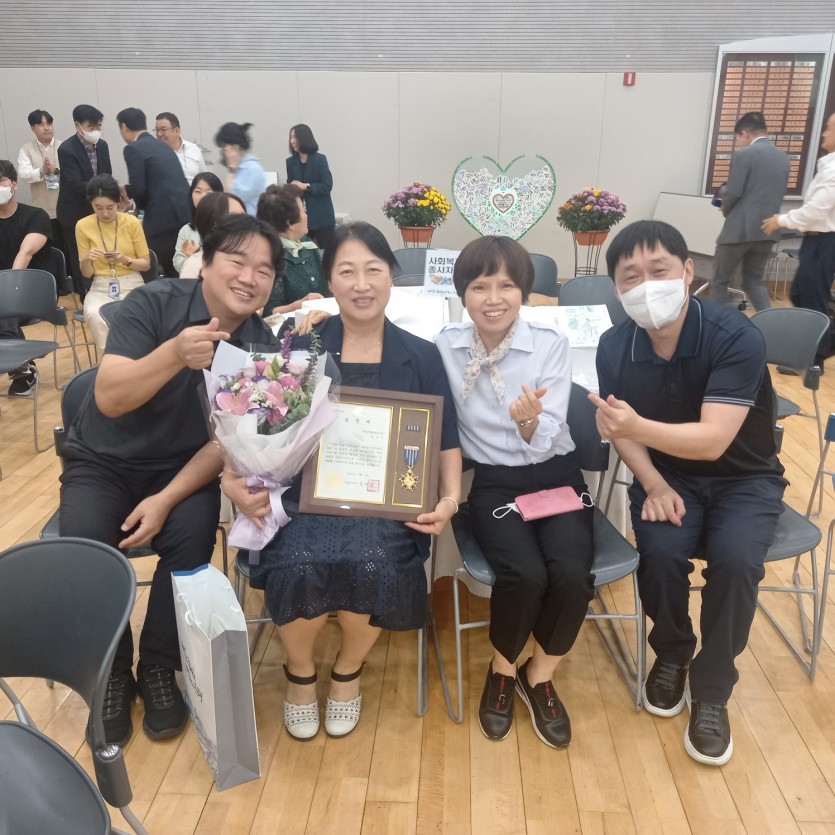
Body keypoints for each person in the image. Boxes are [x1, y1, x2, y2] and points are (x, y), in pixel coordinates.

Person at [223, 221, 461, 741]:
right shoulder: (299, 343)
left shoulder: (420, 355)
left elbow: (445, 438)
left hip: (385, 502)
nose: (361, 284)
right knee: (296, 562)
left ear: (391, 277)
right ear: (328, 280)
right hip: (302, 496)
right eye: (347, 271)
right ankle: (300, 672)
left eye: (373, 270)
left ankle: (348, 670)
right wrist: (233, 477)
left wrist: (449, 498)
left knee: (373, 562)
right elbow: (257, 422)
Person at [59, 214, 284, 746]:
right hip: (103, 460)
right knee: (86, 548)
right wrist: (175, 354)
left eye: (264, 270)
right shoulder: (152, 304)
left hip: (182, 468)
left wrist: (164, 499)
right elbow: (110, 397)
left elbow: (227, 443)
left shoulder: (260, 348)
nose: (249, 277)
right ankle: (113, 671)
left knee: (192, 537)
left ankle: (159, 664)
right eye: (237, 261)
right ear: (204, 263)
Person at [590, 219, 786, 766]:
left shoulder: (734, 336)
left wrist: (632, 428)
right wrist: (652, 482)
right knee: (659, 553)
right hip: (667, 476)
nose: (646, 285)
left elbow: (713, 440)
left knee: (736, 562)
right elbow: (618, 429)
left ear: (688, 272)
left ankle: (713, 689)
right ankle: (672, 653)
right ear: (616, 288)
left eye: (659, 270)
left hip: (744, 478)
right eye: (631, 276)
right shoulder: (615, 345)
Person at [434, 236, 594, 748]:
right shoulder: (445, 346)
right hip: (496, 482)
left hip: (556, 474)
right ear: (462, 293)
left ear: (524, 291)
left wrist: (528, 424)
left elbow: (550, 431)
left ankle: (539, 675)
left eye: (506, 285)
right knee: (523, 575)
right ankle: (502, 669)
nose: (493, 298)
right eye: (479, 286)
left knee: (572, 575)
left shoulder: (548, 343)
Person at [763, 111, 835, 367]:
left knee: (812, 299)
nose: (824, 133)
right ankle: (817, 347)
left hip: (826, 241)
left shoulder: (834, 170)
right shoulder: (827, 165)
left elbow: (816, 211)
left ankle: (813, 360)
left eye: (829, 128)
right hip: (814, 240)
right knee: (799, 293)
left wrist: (782, 220)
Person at [710, 111, 789, 312]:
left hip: (739, 230)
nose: (739, 142)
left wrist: (725, 210)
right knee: (754, 280)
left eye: (738, 137)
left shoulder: (744, 155)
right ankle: (769, 323)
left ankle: (719, 326)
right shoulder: (783, 157)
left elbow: (733, 192)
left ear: (745, 133)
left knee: (719, 281)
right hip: (768, 230)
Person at [76, 174, 151, 352]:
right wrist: (86, 259)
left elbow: (146, 264)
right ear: (91, 204)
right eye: (98, 207)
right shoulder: (82, 225)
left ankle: (137, 358)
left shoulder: (131, 222)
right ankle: (110, 358)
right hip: (100, 286)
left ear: (118, 202)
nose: (105, 213)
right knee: (94, 314)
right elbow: (87, 273)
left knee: (136, 315)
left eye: (110, 207)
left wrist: (125, 260)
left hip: (132, 283)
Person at [116, 107, 192, 277]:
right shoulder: (162, 145)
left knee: (150, 265)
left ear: (123, 127)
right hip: (183, 213)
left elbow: (140, 188)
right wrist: (128, 190)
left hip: (162, 219)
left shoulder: (133, 148)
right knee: (178, 267)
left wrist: (137, 204)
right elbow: (158, 181)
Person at [0, 159, 53, 395]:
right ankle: (22, 367)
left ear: (14, 184)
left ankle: (19, 366)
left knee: (3, 303)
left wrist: (9, 287)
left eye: (1, 181)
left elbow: (26, 253)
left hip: (31, 291)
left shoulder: (35, 215)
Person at [56, 104, 112, 298]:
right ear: (78, 126)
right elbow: (76, 184)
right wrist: (104, 188)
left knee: (100, 252)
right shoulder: (66, 149)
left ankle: (103, 292)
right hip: (74, 213)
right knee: (80, 256)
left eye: (98, 126)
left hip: (98, 211)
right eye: (91, 127)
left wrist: (111, 192)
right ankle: (85, 296)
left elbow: (107, 174)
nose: (95, 131)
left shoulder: (102, 146)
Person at [257, 183, 328, 315]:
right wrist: (299, 305)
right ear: (289, 222)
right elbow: (268, 312)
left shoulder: (306, 243)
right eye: (303, 210)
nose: (306, 214)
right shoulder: (271, 257)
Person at [17, 109, 63, 252]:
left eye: (49, 123)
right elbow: (23, 174)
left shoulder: (64, 146)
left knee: (69, 247)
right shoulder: (26, 149)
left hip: (65, 207)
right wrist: (42, 171)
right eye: (41, 124)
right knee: (51, 249)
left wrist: (55, 170)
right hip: (42, 210)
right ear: (33, 128)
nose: (46, 128)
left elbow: (72, 173)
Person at [286, 124, 336, 250]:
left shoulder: (320, 159)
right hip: (301, 219)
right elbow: (290, 185)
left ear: (304, 138)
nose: (292, 141)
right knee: (304, 253)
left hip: (322, 218)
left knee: (327, 253)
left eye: (295, 137)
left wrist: (306, 186)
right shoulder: (290, 162)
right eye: (291, 137)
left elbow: (327, 185)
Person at [178, 191, 246, 279]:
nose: (246, 224)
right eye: (237, 219)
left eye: (245, 217)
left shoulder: (249, 258)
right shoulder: (195, 266)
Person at [173, 172, 224, 275]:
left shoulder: (226, 228)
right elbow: (177, 263)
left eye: (209, 192)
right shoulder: (186, 230)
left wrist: (197, 256)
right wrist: (191, 259)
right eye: (198, 191)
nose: (203, 197)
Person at [215, 121, 266, 216]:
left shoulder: (252, 169)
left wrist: (231, 168)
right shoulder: (240, 167)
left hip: (250, 221)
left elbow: (231, 198)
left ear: (235, 147)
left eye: (225, 147)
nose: (224, 152)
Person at [154, 112, 208, 183]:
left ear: (177, 131)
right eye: (157, 130)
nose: (159, 134)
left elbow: (205, 177)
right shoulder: (154, 153)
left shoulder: (193, 149)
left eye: (163, 129)